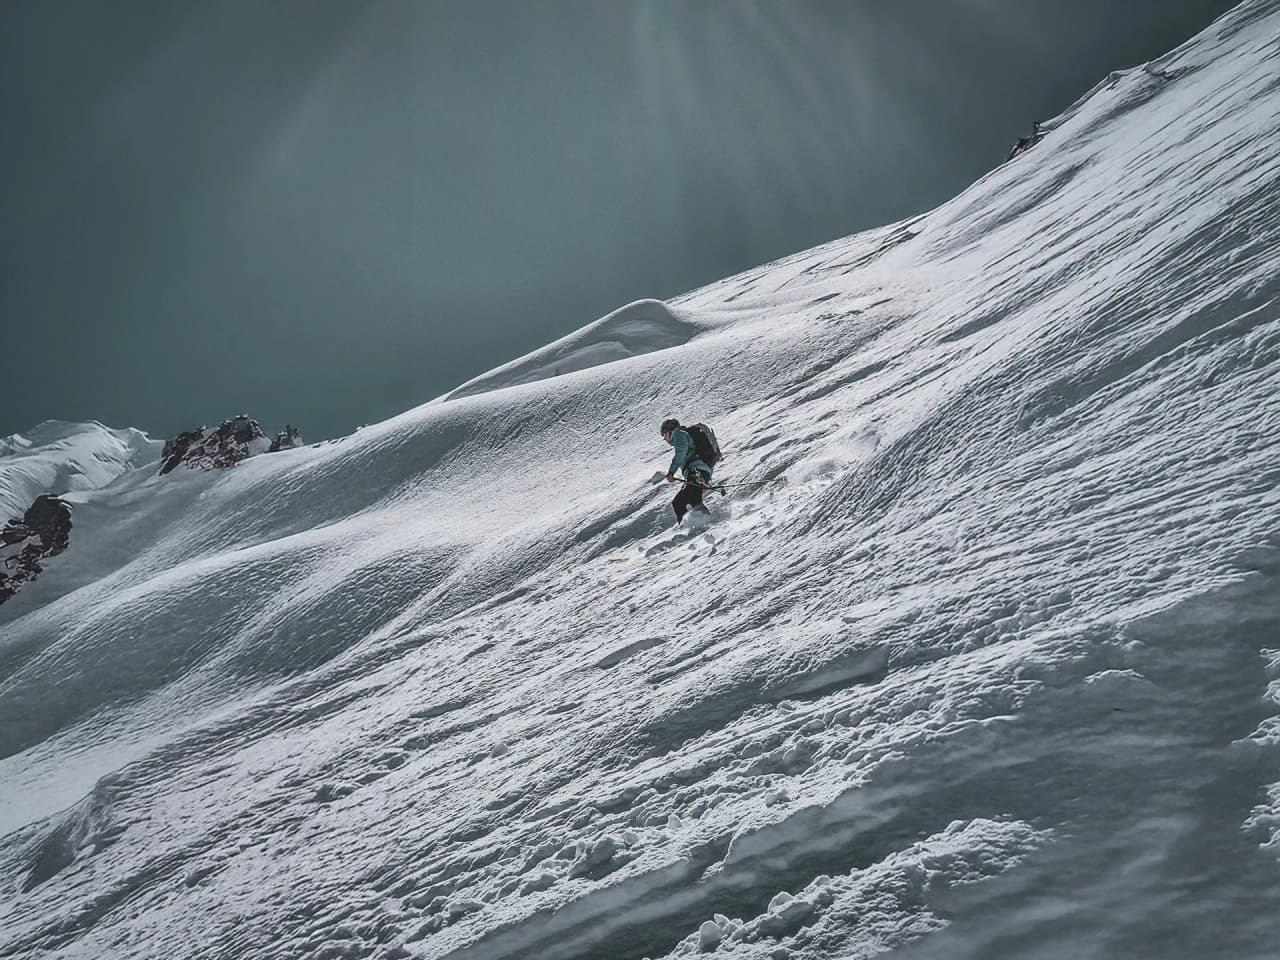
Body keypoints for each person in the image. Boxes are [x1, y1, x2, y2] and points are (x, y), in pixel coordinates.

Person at [660, 417, 713, 524]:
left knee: (678, 502)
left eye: (665, 435)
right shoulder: (684, 435)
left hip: (696, 471)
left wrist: (671, 472)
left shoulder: (678, 433)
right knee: (694, 500)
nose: (665, 439)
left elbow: (681, 453)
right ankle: (708, 523)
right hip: (701, 472)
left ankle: (687, 528)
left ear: (670, 431)